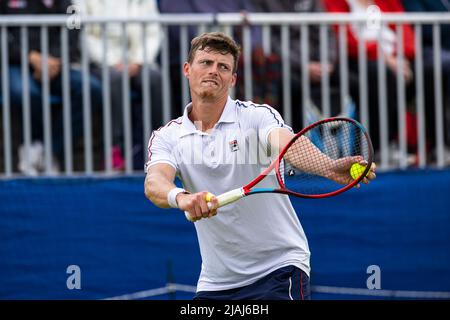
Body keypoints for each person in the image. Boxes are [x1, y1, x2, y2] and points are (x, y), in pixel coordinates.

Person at [144, 32, 376, 300]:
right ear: (187, 69)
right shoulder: (168, 136)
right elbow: (155, 183)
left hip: (278, 269)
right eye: (205, 63)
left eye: (223, 67)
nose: (213, 71)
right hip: (215, 282)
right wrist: (181, 198)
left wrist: (327, 166)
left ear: (232, 79)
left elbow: (287, 145)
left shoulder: (256, 117)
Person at [0, 0, 103, 175]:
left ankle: (49, 152)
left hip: (56, 63)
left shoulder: (68, 4)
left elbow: (74, 27)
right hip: (17, 62)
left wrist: (54, 59)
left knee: (90, 88)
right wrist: (30, 57)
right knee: (24, 92)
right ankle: (34, 145)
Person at [323, 0, 416, 160]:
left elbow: (406, 33)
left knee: (430, 69)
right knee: (381, 75)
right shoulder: (334, 2)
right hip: (356, 59)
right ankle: (381, 146)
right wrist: (386, 58)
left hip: (396, 58)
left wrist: (400, 57)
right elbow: (346, 41)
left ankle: (435, 145)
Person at [77, 0, 163, 170]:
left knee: (154, 78)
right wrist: (112, 61)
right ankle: (114, 149)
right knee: (116, 79)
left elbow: (154, 32)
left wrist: (138, 60)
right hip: (100, 63)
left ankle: (158, 147)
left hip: (138, 61)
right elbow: (84, 34)